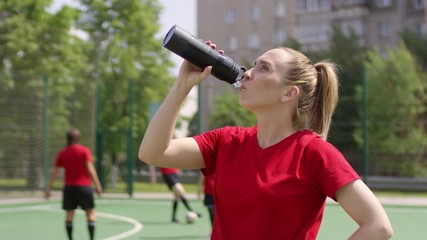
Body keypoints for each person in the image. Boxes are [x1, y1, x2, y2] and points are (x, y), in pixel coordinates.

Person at [138, 43, 393, 239]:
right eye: (254, 65)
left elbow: (378, 226)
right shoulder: (226, 141)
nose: (248, 73)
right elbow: (153, 153)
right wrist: (182, 85)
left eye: (264, 68)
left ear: (289, 93)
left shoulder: (313, 152)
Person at [45, 128, 102, 240]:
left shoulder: (62, 153)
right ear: (78, 138)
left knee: (69, 215)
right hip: (84, 186)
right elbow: (90, 169)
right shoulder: (84, 150)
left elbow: (54, 172)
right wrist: (97, 184)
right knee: (90, 214)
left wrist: (49, 188)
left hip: (69, 187)